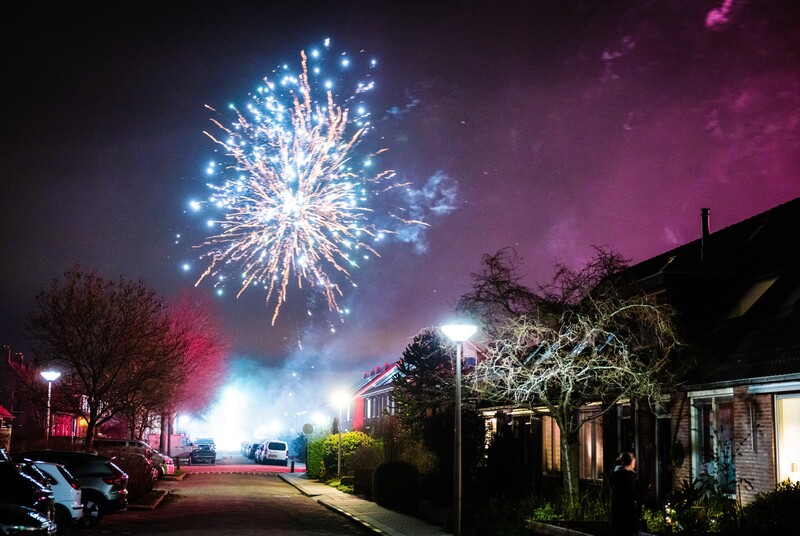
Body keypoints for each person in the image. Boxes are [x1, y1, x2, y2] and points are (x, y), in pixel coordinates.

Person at [610, 451, 640, 536]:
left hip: (617, 510)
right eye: (634, 461)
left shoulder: (615, 472)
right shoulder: (627, 475)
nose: (635, 463)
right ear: (630, 462)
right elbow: (632, 493)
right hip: (627, 511)